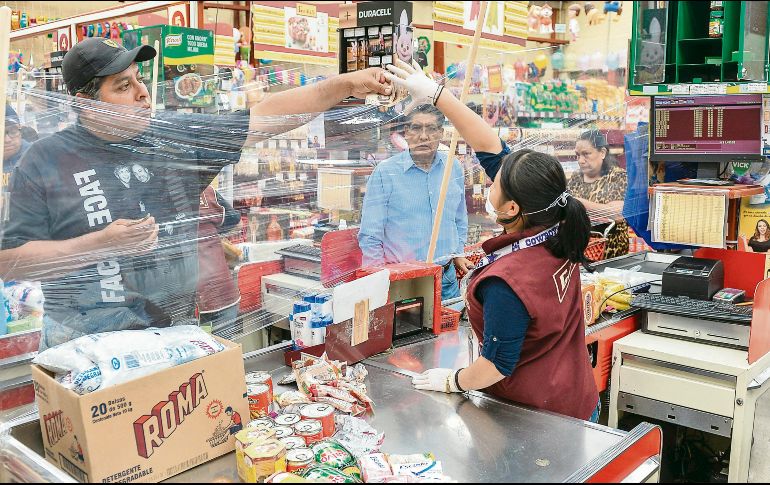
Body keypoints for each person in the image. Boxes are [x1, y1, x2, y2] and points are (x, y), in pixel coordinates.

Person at [1, 38, 391, 350]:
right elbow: (10, 262)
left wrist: (346, 84)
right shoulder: (44, 161)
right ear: (85, 103)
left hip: (173, 338)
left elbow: (266, 116)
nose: (142, 93)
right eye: (124, 86)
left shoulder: (173, 140)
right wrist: (98, 245)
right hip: (85, 346)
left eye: (139, 79)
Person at [385, 60, 599, 421]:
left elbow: (496, 366)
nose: (489, 183)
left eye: (495, 184)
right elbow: (487, 143)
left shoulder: (508, 281)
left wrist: (453, 380)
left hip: (541, 421)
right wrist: (436, 95)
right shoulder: (557, 225)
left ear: (513, 206)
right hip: (577, 399)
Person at [358, 104, 473, 300]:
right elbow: (370, 236)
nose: (423, 136)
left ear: (441, 133)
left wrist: (458, 252)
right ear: (406, 132)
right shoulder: (385, 173)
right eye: (417, 128)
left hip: (446, 280)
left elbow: (459, 218)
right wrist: (378, 283)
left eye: (431, 129)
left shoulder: (453, 168)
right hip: (403, 283)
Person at [568, 130, 629, 259]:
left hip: (609, 254)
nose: (581, 160)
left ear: (602, 153)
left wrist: (577, 202)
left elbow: (618, 214)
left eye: (586, 154)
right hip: (579, 251)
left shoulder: (617, 176)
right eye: (577, 155)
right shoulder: (576, 177)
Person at [197, 185, 241, 332]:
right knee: (223, 351)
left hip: (193, 305)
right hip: (222, 295)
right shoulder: (206, 190)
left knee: (201, 353)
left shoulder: (157, 195)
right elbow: (236, 222)